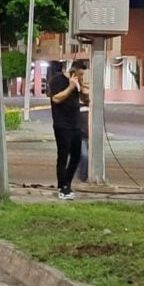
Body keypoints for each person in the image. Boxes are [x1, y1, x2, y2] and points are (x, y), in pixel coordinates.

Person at [48, 61, 89, 199]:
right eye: (80, 74)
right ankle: (63, 186)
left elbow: (85, 100)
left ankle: (67, 183)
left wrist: (83, 92)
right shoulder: (57, 80)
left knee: (77, 156)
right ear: (73, 71)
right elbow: (56, 98)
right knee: (63, 155)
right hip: (62, 124)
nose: (82, 77)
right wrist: (71, 87)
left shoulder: (78, 83)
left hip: (76, 124)